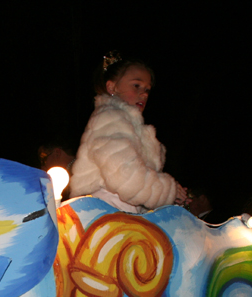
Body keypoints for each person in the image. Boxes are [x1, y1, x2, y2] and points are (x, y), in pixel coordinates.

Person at [69, 51, 188, 213]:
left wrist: (174, 199)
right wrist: (168, 191)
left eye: (147, 89)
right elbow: (125, 176)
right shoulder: (109, 117)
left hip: (122, 215)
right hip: (103, 212)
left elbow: (139, 194)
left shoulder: (134, 129)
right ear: (112, 87)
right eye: (136, 85)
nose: (144, 94)